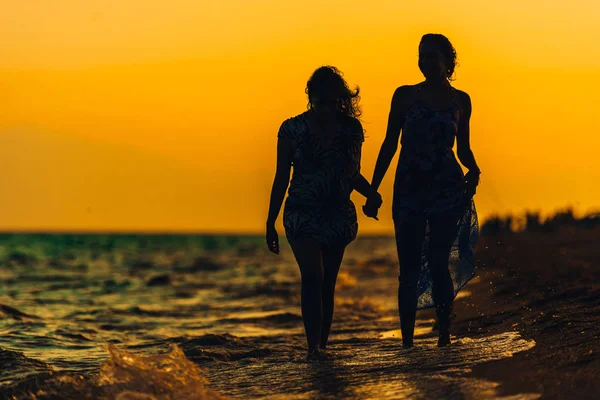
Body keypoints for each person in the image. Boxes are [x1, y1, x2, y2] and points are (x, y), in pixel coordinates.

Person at [364, 34, 480, 348]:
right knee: (409, 269)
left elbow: (464, 149)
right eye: (421, 56)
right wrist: (373, 189)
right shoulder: (404, 96)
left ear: (448, 62)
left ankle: (444, 337)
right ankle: (407, 343)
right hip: (408, 190)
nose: (425, 61)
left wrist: (475, 169)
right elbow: (389, 144)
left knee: (440, 262)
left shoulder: (461, 101)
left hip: (446, 189)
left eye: (432, 56)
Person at [266, 66, 381, 359]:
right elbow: (281, 176)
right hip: (301, 212)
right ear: (310, 98)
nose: (327, 110)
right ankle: (312, 349)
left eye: (332, 103)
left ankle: (323, 348)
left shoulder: (351, 130)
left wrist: (372, 195)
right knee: (312, 276)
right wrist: (270, 222)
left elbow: (352, 174)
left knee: (328, 282)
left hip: (337, 213)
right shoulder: (291, 129)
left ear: (341, 100)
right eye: (320, 103)